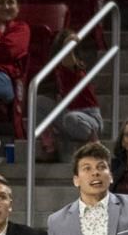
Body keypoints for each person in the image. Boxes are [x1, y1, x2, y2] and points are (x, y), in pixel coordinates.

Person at [36, 28, 104, 158]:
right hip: (69, 113)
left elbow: (68, 59)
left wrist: (69, 43)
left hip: (90, 117)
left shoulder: (75, 66)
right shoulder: (58, 69)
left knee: (70, 118)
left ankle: (93, 141)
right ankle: (50, 145)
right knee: (39, 102)